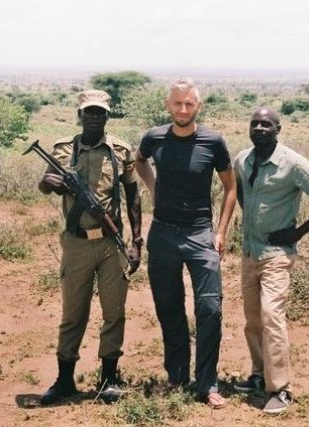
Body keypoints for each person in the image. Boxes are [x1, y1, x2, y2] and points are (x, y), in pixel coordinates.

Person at [232, 106, 309, 414]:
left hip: (277, 256)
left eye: (267, 124)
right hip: (249, 253)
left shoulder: (292, 163)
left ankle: (280, 389)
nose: (259, 128)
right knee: (253, 320)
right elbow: (240, 188)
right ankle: (258, 376)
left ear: (278, 129)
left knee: (271, 317)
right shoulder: (243, 159)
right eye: (255, 123)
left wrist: (298, 232)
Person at [134, 78, 237, 409]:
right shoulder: (154, 138)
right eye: (177, 103)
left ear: (198, 106)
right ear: (168, 105)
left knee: (210, 308)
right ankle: (177, 377)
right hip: (162, 233)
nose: (183, 109)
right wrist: (153, 188)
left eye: (189, 104)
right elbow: (139, 161)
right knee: (169, 307)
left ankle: (207, 383)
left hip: (199, 235)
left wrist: (220, 232)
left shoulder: (213, 142)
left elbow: (230, 188)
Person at [37, 89, 142, 405]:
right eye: (89, 112)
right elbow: (45, 185)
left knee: (114, 312)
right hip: (77, 245)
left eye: (100, 112)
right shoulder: (63, 150)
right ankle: (65, 379)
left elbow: (134, 195)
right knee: (73, 314)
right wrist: (48, 183)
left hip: (112, 245)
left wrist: (137, 241)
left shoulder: (121, 150)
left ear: (107, 116)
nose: (94, 117)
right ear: (79, 115)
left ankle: (109, 378)